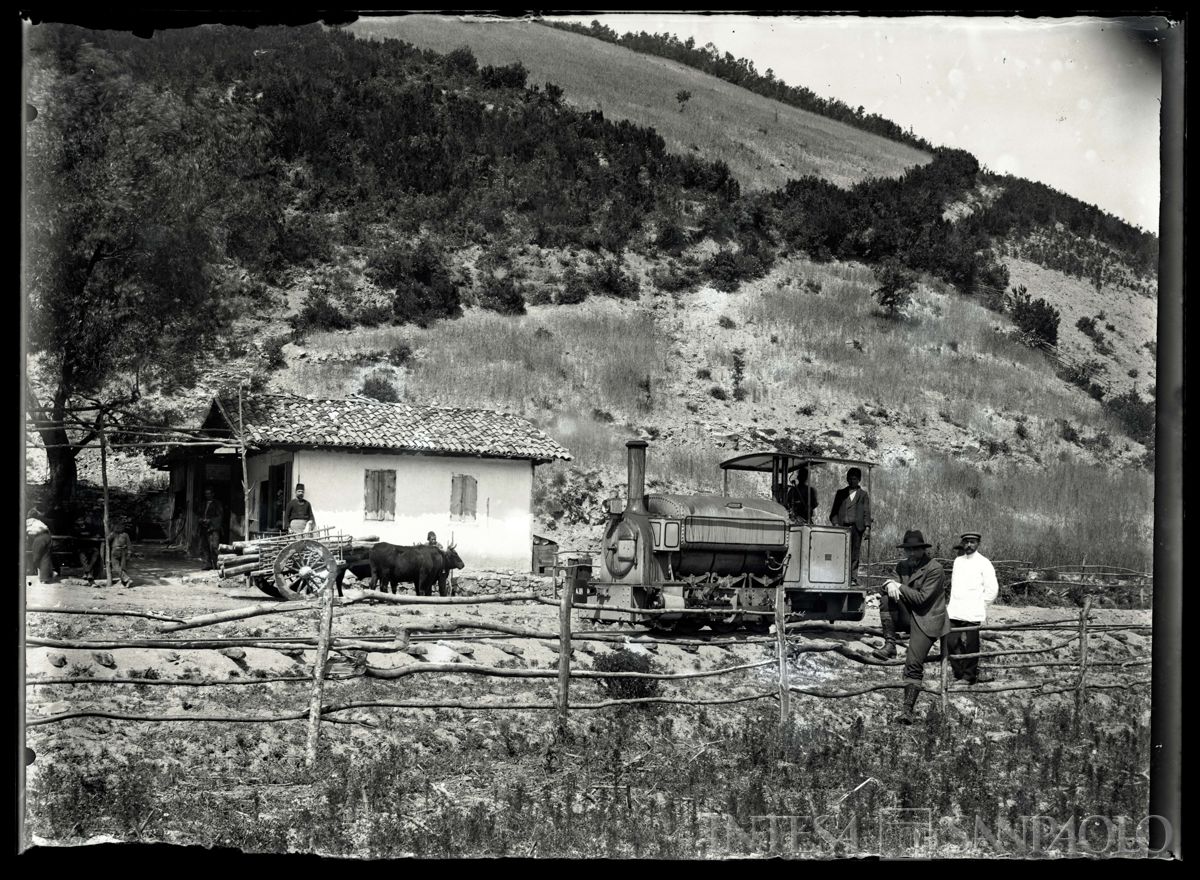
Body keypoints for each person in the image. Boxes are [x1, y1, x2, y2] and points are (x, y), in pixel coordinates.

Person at [879, 529, 950, 725]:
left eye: (914, 550)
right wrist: (889, 586)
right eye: (907, 550)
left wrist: (898, 586)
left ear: (922, 549)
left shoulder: (934, 568)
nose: (910, 554)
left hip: (928, 618)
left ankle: (907, 711)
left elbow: (921, 600)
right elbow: (886, 586)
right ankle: (890, 644)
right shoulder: (902, 566)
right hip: (909, 616)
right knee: (886, 599)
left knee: (913, 661)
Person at [945, 532, 1000, 685]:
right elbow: (955, 587)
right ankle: (959, 672)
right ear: (963, 543)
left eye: (972, 542)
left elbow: (992, 589)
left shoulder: (984, 562)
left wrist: (980, 605)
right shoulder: (958, 561)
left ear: (978, 544)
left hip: (973, 611)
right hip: (956, 609)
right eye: (967, 542)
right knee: (950, 641)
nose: (969, 545)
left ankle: (969, 676)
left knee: (971, 645)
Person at [829, 467, 872, 585]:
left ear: (859, 480)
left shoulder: (863, 495)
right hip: (842, 528)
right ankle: (840, 576)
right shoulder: (840, 493)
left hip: (856, 528)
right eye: (850, 478)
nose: (852, 481)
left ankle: (853, 578)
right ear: (847, 479)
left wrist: (867, 527)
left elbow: (866, 512)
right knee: (841, 552)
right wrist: (836, 525)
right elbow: (834, 512)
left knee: (855, 553)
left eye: (855, 479)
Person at [26, 507, 53, 584]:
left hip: (39, 538)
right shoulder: (40, 521)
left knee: (37, 557)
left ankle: (45, 575)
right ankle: (45, 577)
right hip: (48, 536)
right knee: (46, 557)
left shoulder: (29, 521)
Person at [201, 488, 224, 570]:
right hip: (204, 528)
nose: (207, 495)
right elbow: (200, 514)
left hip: (214, 528)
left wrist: (210, 520)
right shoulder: (203, 504)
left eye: (209, 493)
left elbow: (220, 516)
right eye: (206, 494)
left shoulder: (217, 504)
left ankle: (218, 564)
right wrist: (201, 520)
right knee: (205, 546)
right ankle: (208, 564)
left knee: (214, 546)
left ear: (213, 494)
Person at [108, 520, 133, 587]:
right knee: (115, 566)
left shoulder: (125, 534)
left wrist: (129, 553)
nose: (119, 528)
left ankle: (125, 582)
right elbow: (107, 541)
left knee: (123, 567)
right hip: (115, 551)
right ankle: (126, 578)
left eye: (121, 526)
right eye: (117, 526)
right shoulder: (112, 534)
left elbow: (129, 544)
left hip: (123, 552)